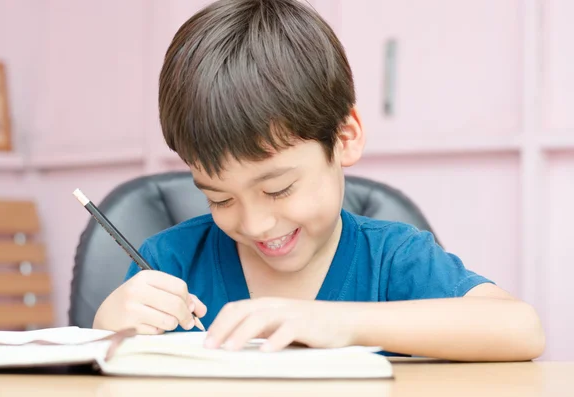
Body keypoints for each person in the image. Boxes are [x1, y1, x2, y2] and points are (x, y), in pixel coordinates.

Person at [93, 0, 545, 361]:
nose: (254, 224)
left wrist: (339, 323)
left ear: (344, 138)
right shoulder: (169, 263)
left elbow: (521, 329)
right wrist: (107, 327)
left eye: (278, 189)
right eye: (219, 198)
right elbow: (115, 361)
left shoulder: (392, 260)